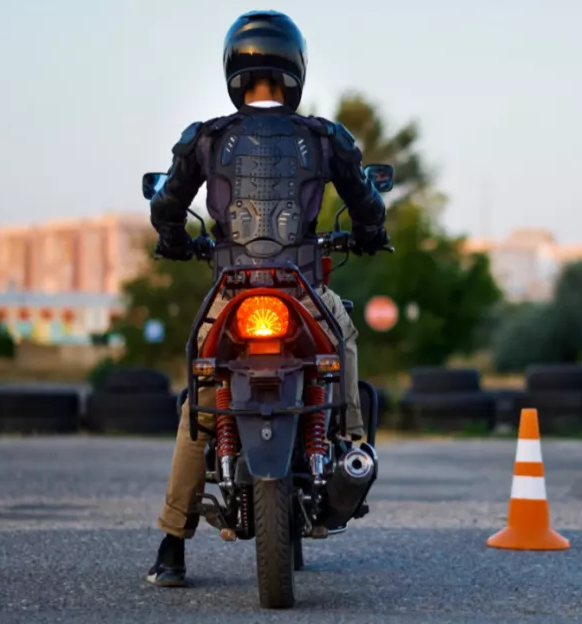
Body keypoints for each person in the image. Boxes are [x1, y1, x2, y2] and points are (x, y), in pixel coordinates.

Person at [144, 10, 389, 588]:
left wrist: (177, 243)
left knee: (202, 395)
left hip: (231, 294)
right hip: (303, 289)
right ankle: (350, 448)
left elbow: (166, 208)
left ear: (234, 67)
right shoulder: (324, 138)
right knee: (341, 344)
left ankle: (172, 545)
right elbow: (368, 207)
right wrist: (370, 235)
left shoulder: (206, 138)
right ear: (295, 69)